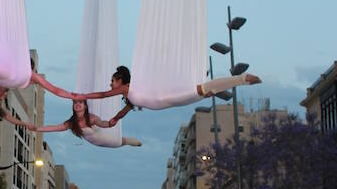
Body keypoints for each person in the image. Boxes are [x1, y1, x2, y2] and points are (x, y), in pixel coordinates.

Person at [79, 64, 262, 115]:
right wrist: (112, 121)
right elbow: (120, 115)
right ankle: (232, 82)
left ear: (120, 80)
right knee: (204, 92)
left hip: (167, 97)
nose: (111, 84)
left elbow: (103, 95)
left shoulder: (126, 88)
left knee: (202, 90)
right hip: (167, 101)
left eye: (112, 81)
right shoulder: (129, 96)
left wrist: (81, 95)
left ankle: (242, 79)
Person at [27, 99, 142, 148]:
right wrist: (37, 129)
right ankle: (125, 140)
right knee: (114, 142)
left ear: (85, 106)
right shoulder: (71, 122)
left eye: (80, 102)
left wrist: (110, 123)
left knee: (117, 142)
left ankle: (127, 140)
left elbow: (103, 124)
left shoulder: (92, 118)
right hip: (94, 141)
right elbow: (54, 128)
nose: (77, 104)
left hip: (104, 136)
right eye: (75, 103)